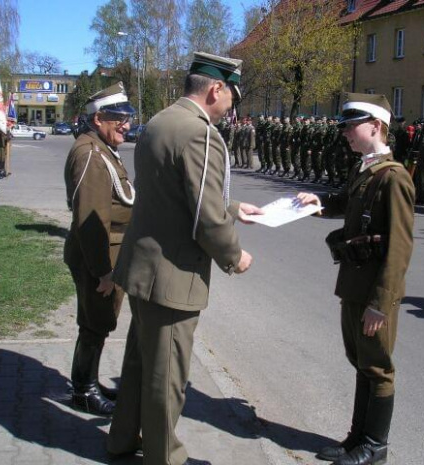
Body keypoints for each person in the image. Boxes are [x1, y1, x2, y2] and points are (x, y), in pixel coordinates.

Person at [107, 52, 263, 465]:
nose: (232, 106)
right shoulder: (201, 134)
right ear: (217, 89)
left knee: (140, 365)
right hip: (172, 277)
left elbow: (171, 198)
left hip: (143, 268)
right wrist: (234, 256)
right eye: (233, 96)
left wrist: (234, 209)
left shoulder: (160, 121)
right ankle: (164, 458)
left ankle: (122, 439)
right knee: (167, 380)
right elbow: (205, 217)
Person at [297, 92, 415, 465]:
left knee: (378, 367)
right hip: (353, 284)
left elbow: (399, 249)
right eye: (345, 127)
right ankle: (356, 438)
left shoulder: (393, 179)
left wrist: (381, 303)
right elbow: (346, 204)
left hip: (373, 293)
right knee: (360, 362)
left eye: (352, 126)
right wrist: (314, 203)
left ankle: (375, 445)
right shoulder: (365, 170)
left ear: (376, 126)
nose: (346, 133)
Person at [63, 82, 135, 416]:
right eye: (117, 117)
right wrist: (103, 271)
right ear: (97, 119)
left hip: (107, 255)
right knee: (95, 323)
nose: (126, 124)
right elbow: (91, 220)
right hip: (99, 258)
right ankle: (84, 390)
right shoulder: (90, 154)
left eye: (127, 117)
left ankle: (87, 382)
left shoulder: (100, 148)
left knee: (97, 323)